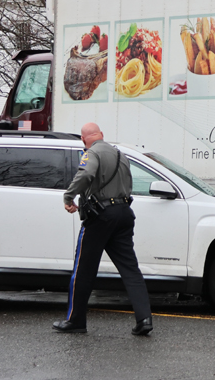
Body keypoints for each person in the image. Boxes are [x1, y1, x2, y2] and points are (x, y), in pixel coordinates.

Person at [53, 122, 153, 336]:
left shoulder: (91, 153)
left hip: (101, 217)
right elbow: (128, 183)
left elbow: (86, 174)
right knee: (130, 269)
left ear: (84, 139)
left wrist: (69, 195)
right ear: (102, 135)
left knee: (84, 269)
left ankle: (76, 321)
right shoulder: (120, 155)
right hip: (124, 214)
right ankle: (144, 319)